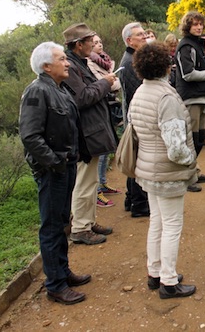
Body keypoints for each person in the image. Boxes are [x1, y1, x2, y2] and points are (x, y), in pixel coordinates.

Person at [19, 41, 92, 304]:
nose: (68, 62)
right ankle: (55, 285)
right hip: (53, 171)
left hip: (65, 166)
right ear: (46, 66)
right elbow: (30, 135)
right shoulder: (37, 92)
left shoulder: (58, 90)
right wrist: (54, 163)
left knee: (62, 223)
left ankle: (63, 272)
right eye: (62, 59)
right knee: (51, 227)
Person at [129, 42, 198, 299]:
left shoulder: (140, 93)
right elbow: (176, 147)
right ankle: (169, 282)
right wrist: (191, 160)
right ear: (167, 66)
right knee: (171, 225)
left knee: (157, 222)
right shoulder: (166, 97)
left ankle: (154, 273)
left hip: (147, 168)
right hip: (167, 172)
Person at [63, 23, 117, 245]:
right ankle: (80, 228)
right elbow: (82, 97)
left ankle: (87, 221)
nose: (93, 46)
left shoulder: (79, 64)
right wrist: (104, 83)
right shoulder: (71, 67)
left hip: (91, 131)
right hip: (85, 135)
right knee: (85, 182)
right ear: (78, 45)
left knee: (91, 180)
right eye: (89, 42)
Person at [174, 11, 205, 192]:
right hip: (191, 98)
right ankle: (186, 177)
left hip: (200, 97)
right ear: (187, 26)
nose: (199, 27)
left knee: (198, 139)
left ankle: (194, 172)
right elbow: (187, 74)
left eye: (200, 24)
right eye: (195, 24)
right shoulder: (185, 46)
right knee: (192, 139)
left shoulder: (195, 44)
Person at [118, 22, 151, 217]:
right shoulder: (129, 62)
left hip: (134, 116)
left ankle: (132, 199)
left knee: (136, 158)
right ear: (129, 40)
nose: (144, 37)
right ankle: (138, 203)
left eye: (144, 33)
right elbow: (135, 94)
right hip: (137, 118)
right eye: (140, 35)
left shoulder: (133, 58)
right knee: (137, 160)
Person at [87, 34, 122, 208]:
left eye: (100, 41)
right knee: (100, 151)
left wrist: (110, 83)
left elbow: (116, 84)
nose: (99, 45)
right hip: (100, 109)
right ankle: (97, 190)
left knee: (107, 148)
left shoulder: (105, 62)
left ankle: (102, 182)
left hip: (107, 107)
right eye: (94, 43)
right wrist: (109, 82)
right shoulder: (89, 64)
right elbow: (108, 85)